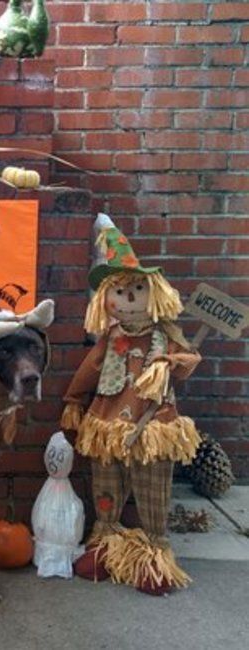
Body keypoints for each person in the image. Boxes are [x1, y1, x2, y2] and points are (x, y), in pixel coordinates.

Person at [61, 225, 201, 596]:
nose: (128, 298)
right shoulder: (110, 338)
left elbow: (190, 360)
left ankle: (154, 556)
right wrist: (74, 402)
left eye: (137, 290)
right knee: (106, 484)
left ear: (153, 293)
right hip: (108, 423)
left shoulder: (165, 333)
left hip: (153, 424)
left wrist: (169, 361)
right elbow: (90, 368)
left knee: (153, 487)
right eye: (119, 292)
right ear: (107, 299)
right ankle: (106, 546)